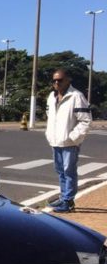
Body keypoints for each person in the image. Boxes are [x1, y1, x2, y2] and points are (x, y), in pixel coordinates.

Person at [45, 68, 91, 213]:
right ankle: (63, 197)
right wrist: (49, 134)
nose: (57, 83)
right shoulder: (51, 97)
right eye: (54, 80)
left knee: (69, 171)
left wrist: (73, 137)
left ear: (68, 80)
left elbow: (85, 121)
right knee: (60, 171)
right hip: (55, 141)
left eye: (60, 80)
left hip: (69, 143)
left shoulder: (76, 96)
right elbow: (50, 117)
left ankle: (68, 201)